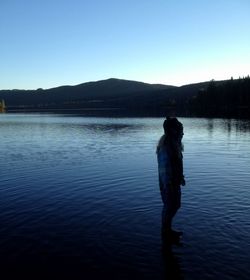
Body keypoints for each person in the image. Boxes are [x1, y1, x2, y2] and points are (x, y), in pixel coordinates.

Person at [156, 117, 185, 242]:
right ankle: (166, 231)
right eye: (180, 130)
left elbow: (176, 164)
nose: (183, 133)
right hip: (169, 182)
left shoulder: (173, 145)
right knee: (171, 205)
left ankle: (167, 230)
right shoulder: (167, 147)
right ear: (173, 131)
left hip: (173, 181)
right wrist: (170, 182)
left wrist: (180, 177)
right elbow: (165, 168)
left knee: (173, 205)